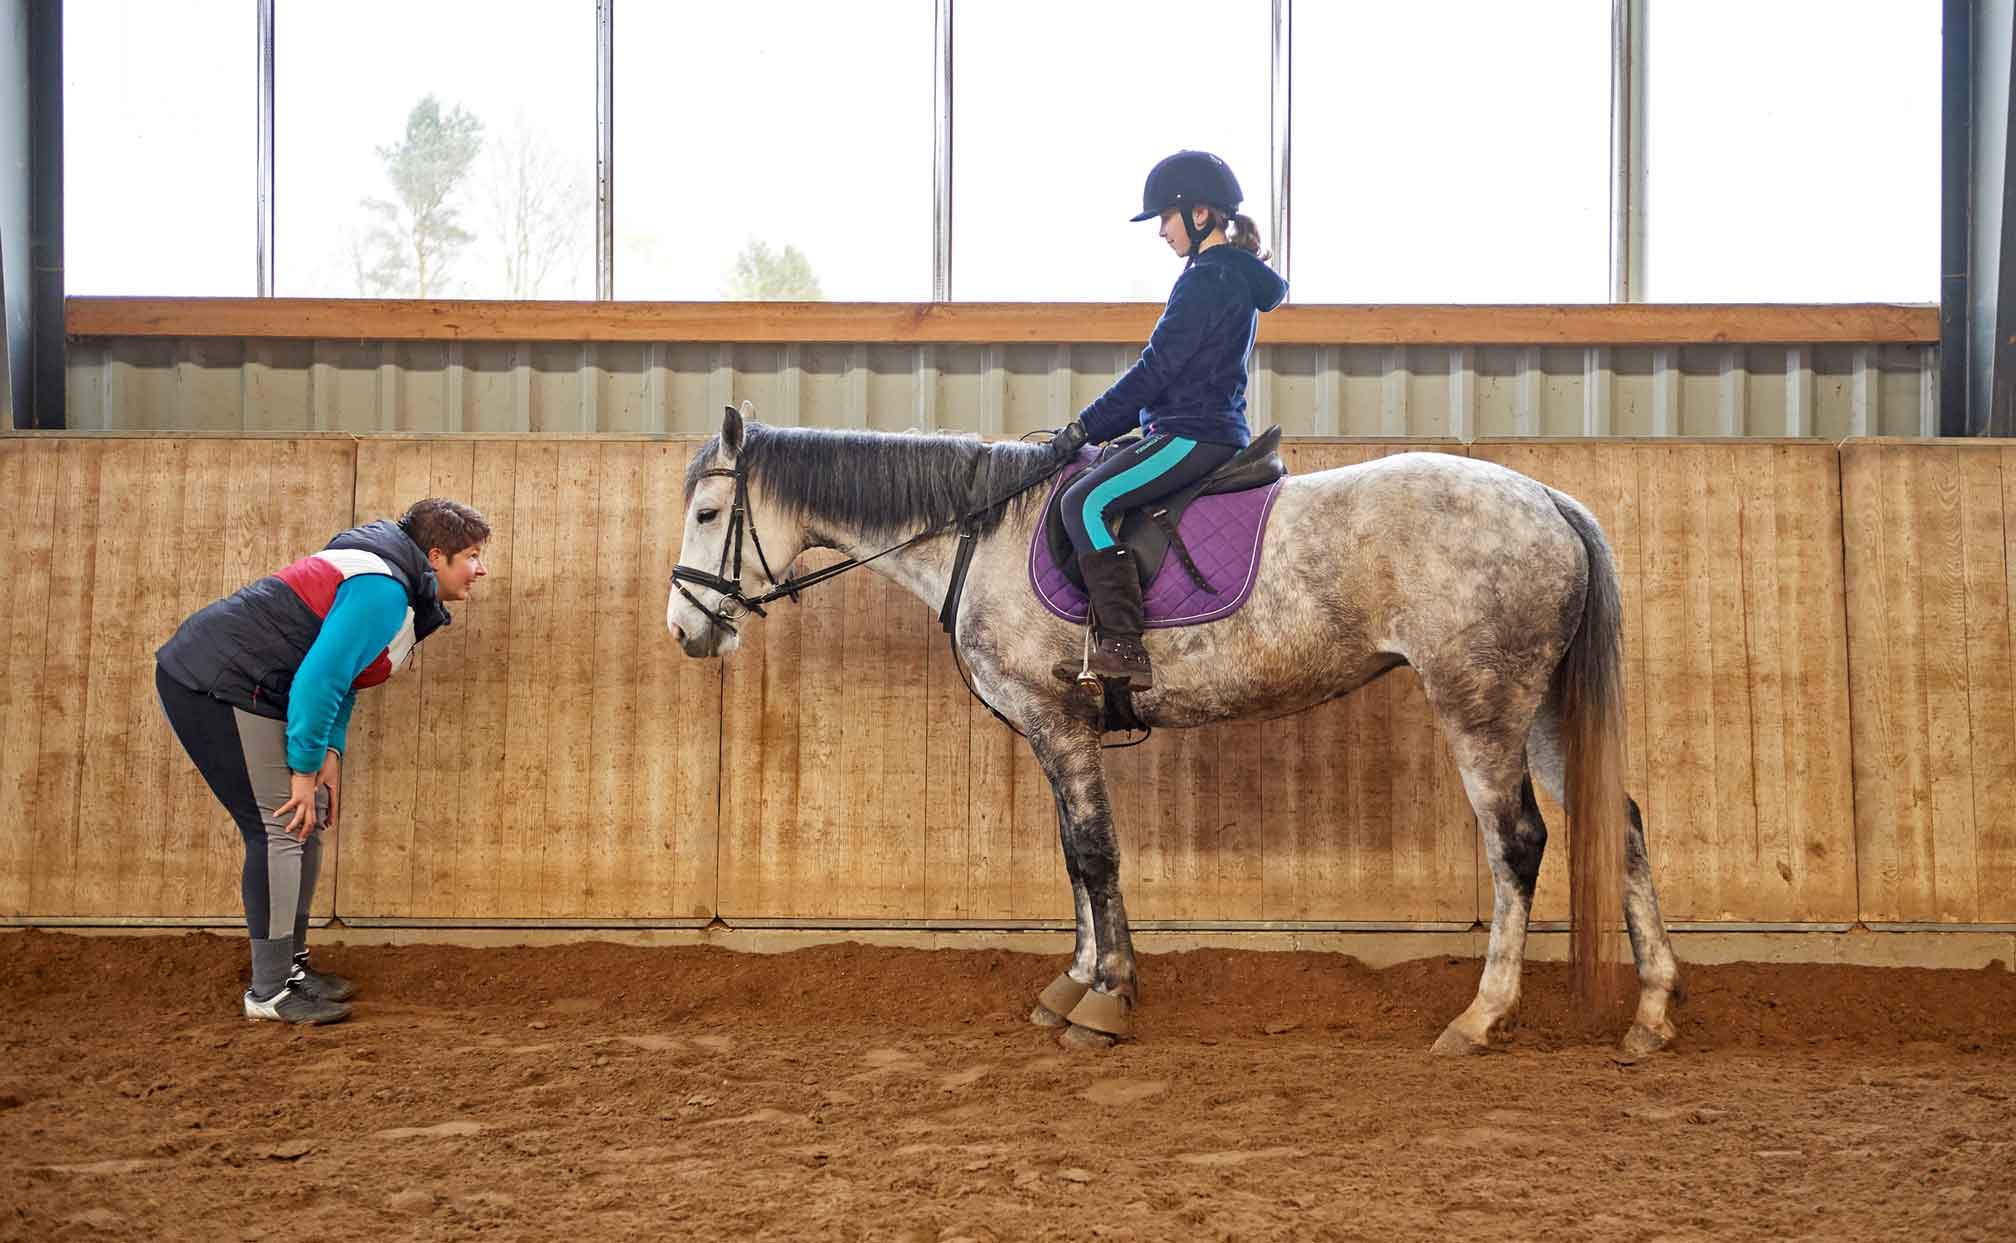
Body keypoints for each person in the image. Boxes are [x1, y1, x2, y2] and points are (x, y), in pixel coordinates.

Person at [155, 499, 490, 1025]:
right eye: (471, 555)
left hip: (262, 689)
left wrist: (329, 752)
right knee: (282, 825)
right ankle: (268, 992)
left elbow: (347, 675)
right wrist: (304, 771)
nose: (480, 568)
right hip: (215, 682)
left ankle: (289, 969)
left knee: (306, 824)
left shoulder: (393, 583)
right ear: (436, 556)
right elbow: (320, 680)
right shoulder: (383, 589)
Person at [1047, 149, 1289, 690]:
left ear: (1200, 214)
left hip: (1193, 433)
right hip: (1195, 427)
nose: (1161, 232)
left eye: (1165, 218)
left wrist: (1085, 427)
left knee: (1082, 501)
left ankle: (1125, 647)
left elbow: (1155, 370)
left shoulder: (1207, 279)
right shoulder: (1229, 275)